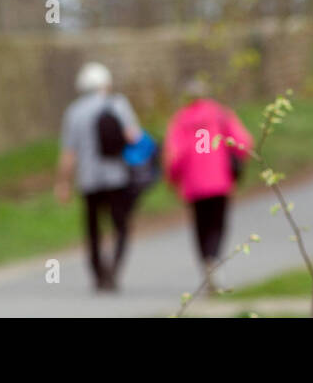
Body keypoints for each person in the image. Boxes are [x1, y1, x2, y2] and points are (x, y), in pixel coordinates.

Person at [55, 62, 142, 292]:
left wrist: (63, 183)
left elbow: (68, 153)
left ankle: (98, 275)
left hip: (89, 180)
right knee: (120, 226)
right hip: (117, 177)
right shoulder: (118, 105)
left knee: (93, 229)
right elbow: (134, 137)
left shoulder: (74, 111)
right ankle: (114, 270)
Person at [163, 80, 254, 292]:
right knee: (218, 224)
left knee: (200, 226)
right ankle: (214, 260)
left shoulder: (180, 120)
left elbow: (173, 155)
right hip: (219, 180)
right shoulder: (221, 115)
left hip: (193, 184)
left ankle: (206, 260)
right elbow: (243, 142)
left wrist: (172, 178)